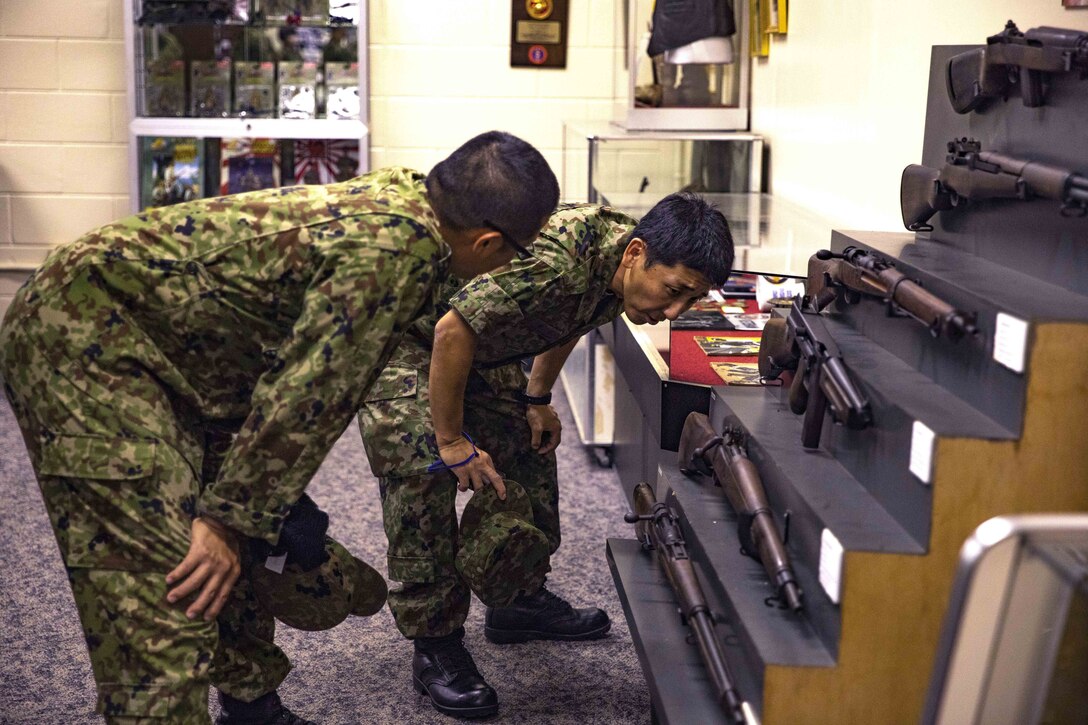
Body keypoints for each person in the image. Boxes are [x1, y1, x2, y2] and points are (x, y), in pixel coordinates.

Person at [0, 131, 559, 725]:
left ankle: (251, 710)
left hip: (182, 360)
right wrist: (224, 518)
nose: (508, 268)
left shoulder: (409, 208)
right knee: (166, 598)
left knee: (237, 550)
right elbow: (307, 398)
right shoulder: (392, 255)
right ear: (489, 240)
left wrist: (239, 519)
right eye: (516, 256)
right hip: (86, 343)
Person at [357, 192, 735, 719]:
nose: (673, 312)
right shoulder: (559, 262)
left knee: (531, 443)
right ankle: (435, 642)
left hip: (483, 346)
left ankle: (517, 598)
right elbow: (451, 330)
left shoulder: (622, 264)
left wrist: (536, 398)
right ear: (636, 255)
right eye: (674, 292)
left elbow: (567, 317)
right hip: (412, 339)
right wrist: (450, 440)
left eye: (690, 301)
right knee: (424, 467)